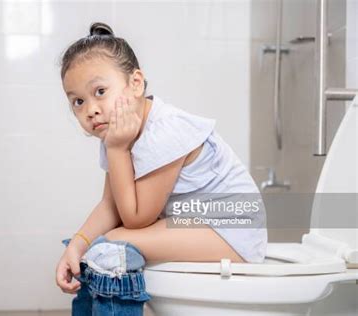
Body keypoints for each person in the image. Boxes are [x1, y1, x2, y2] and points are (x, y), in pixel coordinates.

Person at [55, 22, 268, 315]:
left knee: (113, 246)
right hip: (195, 220)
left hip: (232, 229)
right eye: (78, 101)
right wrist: (77, 245)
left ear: (136, 83)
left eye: (100, 91)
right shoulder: (117, 131)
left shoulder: (164, 132)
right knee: (97, 246)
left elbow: (135, 219)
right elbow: (111, 205)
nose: (90, 109)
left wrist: (118, 149)